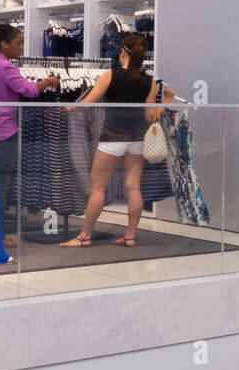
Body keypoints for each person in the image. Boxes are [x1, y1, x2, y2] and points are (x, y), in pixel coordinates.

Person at [59, 34, 170, 248]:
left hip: (113, 137)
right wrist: (166, 101)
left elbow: (86, 104)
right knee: (133, 187)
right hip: (137, 138)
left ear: (122, 52)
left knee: (98, 188)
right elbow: (149, 117)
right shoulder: (150, 82)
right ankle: (129, 236)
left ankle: (84, 236)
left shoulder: (110, 75)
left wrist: (70, 107)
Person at [0, 22, 60, 248]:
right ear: (4, 45)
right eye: (18, 43)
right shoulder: (5, 67)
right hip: (3, 132)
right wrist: (49, 81)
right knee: (1, 187)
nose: (22, 47)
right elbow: (29, 90)